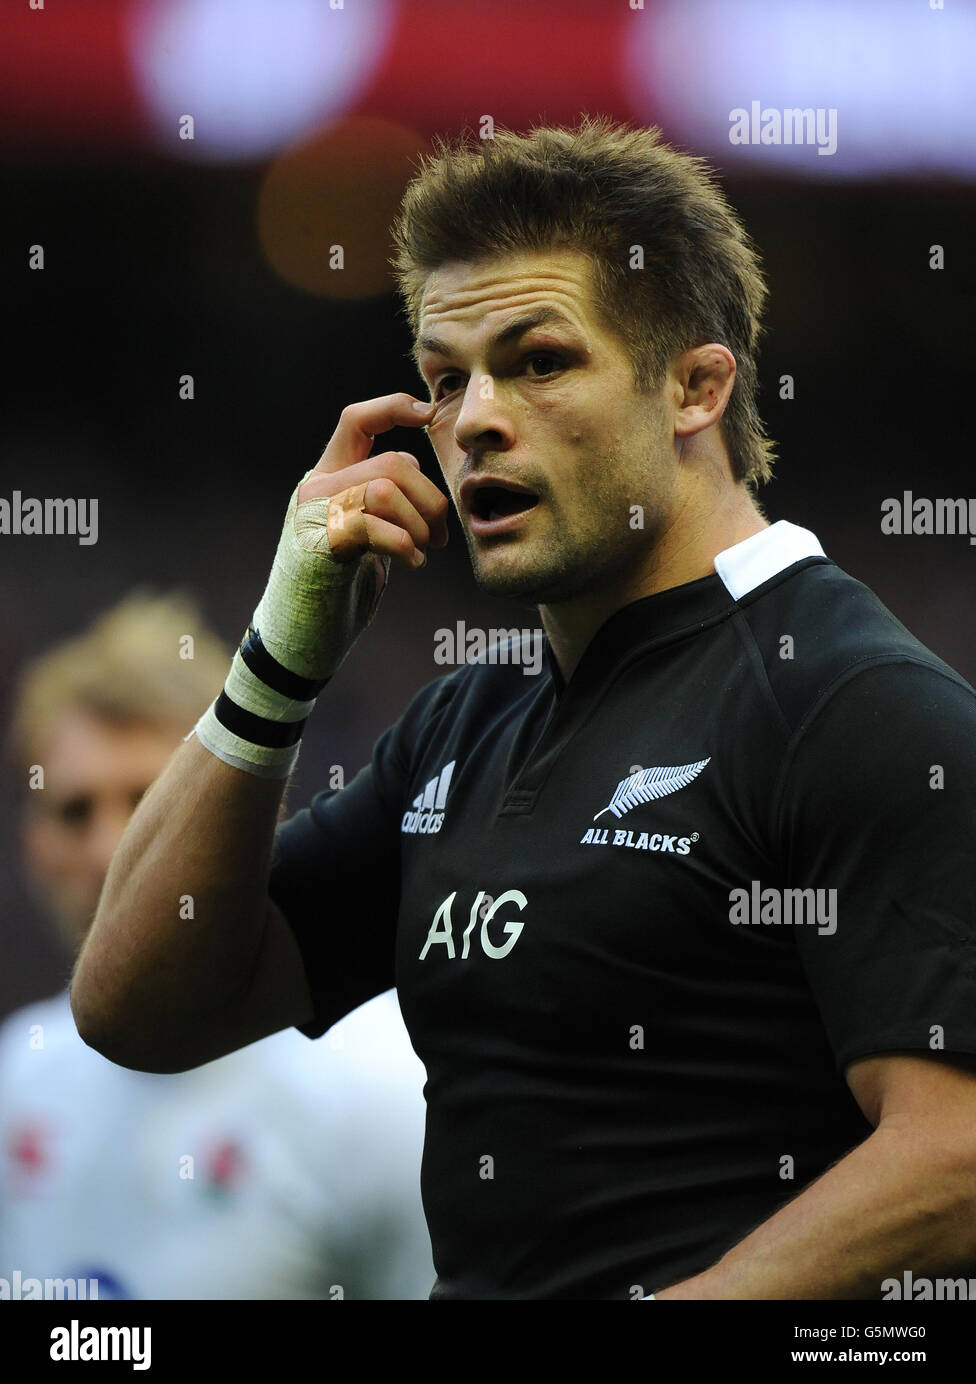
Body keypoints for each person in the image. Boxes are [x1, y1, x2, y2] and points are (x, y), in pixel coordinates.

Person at [71, 118, 976, 1300]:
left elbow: (954, 1156)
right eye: (445, 380)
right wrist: (277, 661)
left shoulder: (854, 700)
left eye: (538, 361)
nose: (475, 419)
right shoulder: (459, 727)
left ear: (696, 386)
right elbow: (137, 1010)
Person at [1, 593, 434, 1300]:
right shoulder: (19, 1077)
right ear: (29, 842)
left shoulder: (380, 1088)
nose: (110, 850)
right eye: (73, 810)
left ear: (239, 819)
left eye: (147, 803)